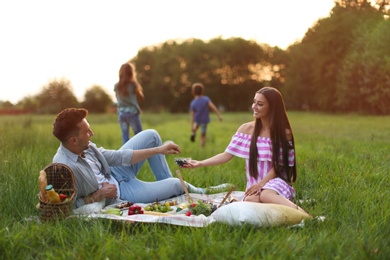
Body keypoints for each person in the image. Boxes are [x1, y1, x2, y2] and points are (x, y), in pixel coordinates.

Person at [52, 108, 230, 209]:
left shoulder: (86, 146)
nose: (92, 134)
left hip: (115, 172)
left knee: (151, 135)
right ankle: (197, 190)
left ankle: (171, 188)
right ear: (73, 140)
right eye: (87, 132)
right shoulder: (63, 169)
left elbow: (118, 157)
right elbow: (67, 207)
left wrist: (159, 150)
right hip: (122, 192)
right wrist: (99, 194)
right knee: (175, 184)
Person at [182, 87, 306, 213]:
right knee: (252, 201)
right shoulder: (246, 129)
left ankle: (305, 215)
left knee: (265, 195)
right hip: (255, 185)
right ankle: (280, 208)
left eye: (260, 104)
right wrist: (200, 163)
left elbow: (279, 167)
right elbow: (226, 155)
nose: (254, 106)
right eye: (254, 102)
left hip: (277, 183)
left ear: (272, 107)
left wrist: (262, 184)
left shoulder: (284, 133)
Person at [114, 62, 144, 145]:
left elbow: (118, 99)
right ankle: (142, 155)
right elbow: (141, 98)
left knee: (125, 137)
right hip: (132, 113)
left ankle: (125, 156)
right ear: (131, 73)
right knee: (140, 136)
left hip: (121, 114)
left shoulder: (116, 86)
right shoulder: (133, 85)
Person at [189, 82, 222, 147]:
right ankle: (202, 146)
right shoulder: (206, 99)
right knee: (203, 134)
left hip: (197, 119)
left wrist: (191, 125)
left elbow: (192, 116)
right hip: (204, 120)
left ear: (193, 92)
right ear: (202, 91)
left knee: (196, 125)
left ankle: (193, 132)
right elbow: (213, 107)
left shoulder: (193, 103)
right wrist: (219, 116)